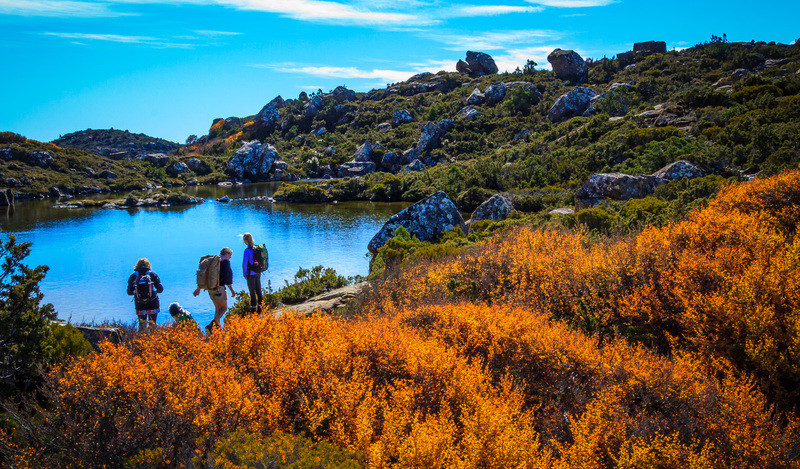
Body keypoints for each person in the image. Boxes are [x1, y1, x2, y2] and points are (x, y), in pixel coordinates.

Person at [194, 247, 235, 333]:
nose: (230, 257)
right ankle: (210, 325)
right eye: (230, 255)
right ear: (226, 254)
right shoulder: (225, 262)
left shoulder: (214, 262)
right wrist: (232, 290)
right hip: (219, 289)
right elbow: (228, 279)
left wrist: (199, 288)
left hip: (210, 288)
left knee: (217, 308)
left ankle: (218, 329)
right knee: (223, 308)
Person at [127, 258, 164, 331]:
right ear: (148, 265)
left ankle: (141, 340)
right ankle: (153, 341)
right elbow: (160, 290)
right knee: (152, 326)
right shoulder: (152, 275)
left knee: (142, 327)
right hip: (153, 304)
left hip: (140, 305)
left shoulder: (133, 276)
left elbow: (129, 292)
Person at [242, 233, 264, 314]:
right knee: (259, 290)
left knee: (252, 292)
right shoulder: (256, 248)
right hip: (258, 272)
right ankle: (261, 309)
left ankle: (253, 310)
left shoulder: (247, 250)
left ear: (246, 240)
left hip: (250, 274)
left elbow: (244, 264)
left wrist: (245, 274)